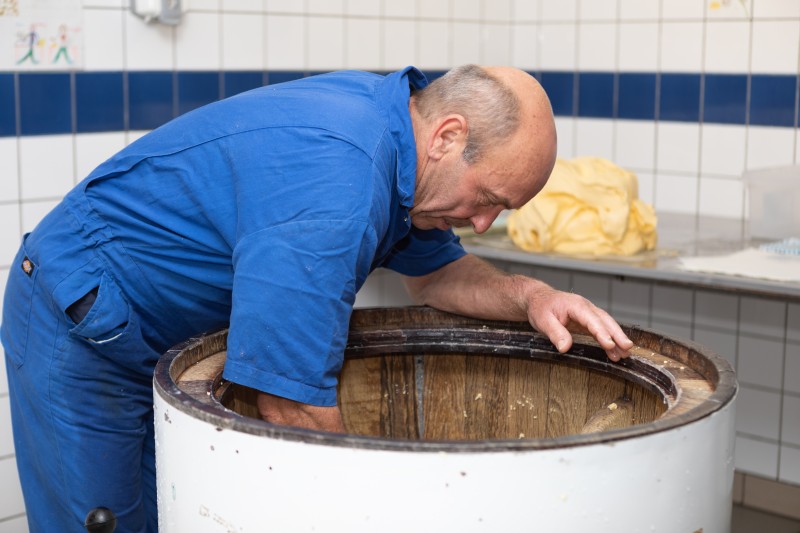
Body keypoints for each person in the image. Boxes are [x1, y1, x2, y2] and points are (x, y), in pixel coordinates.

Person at [1, 64, 633, 532]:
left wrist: (532, 296)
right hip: (79, 325)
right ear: (446, 135)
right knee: (102, 524)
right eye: (490, 197)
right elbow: (291, 404)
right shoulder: (336, 183)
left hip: (156, 335)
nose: (486, 222)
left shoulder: (397, 148)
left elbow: (438, 278)